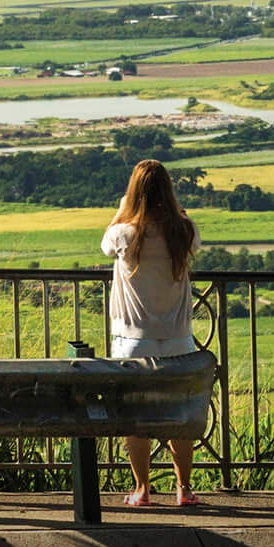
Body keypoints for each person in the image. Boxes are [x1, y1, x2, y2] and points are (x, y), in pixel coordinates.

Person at [100, 159, 202, 508]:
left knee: (136, 418)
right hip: (178, 339)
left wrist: (120, 212)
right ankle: (184, 489)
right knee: (179, 418)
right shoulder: (184, 231)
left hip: (132, 341)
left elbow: (105, 246)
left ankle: (142, 489)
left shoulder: (124, 234)